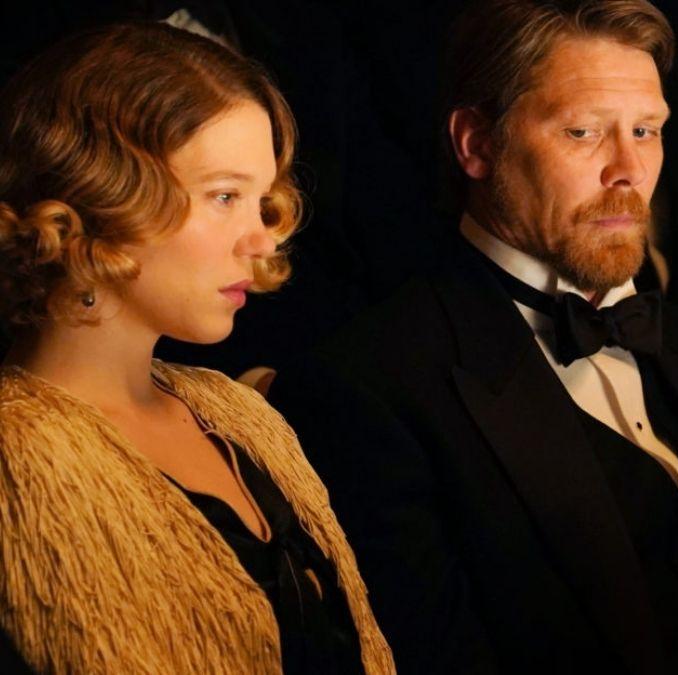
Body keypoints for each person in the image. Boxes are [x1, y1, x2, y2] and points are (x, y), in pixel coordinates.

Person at [269, 1, 678, 672]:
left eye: (647, 130)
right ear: (476, 144)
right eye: (583, 132)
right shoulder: (368, 387)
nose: (629, 169)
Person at [0, 23, 392, 674]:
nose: (262, 240)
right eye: (224, 196)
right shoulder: (20, 455)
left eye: (261, 200)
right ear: (103, 195)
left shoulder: (240, 413)